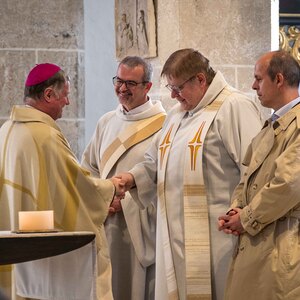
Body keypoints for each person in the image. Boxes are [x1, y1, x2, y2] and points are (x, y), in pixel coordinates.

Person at [116, 48, 263, 300]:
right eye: (170, 88)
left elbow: (256, 170)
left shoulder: (234, 107)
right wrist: (129, 179)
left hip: (217, 240)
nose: (173, 96)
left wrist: (247, 213)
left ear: (201, 79)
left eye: (178, 88)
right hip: (174, 238)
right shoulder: (176, 115)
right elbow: (154, 160)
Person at [0, 63, 125, 300]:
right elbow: (74, 186)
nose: (68, 102)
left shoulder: (6, 130)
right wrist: (112, 188)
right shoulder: (45, 136)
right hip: (41, 254)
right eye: (65, 95)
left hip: (14, 249)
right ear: (48, 94)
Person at [82, 56, 166, 300]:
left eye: (130, 83)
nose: (121, 88)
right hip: (106, 220)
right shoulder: (106, 121)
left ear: (147, 87)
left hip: (140, 225)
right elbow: (88, 167)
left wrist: (125, 202)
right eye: (118, 81)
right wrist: (101, 197)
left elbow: (162, 173)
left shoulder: (164, 124)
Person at [218, 50, 300, 299]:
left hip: (282, 241)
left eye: (258, 79)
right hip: (259, 241)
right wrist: (236, 209)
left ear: (278, 79)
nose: (253, 86)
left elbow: (288, 184)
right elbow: (247, 177)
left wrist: (247, 217)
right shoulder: (273, 124)